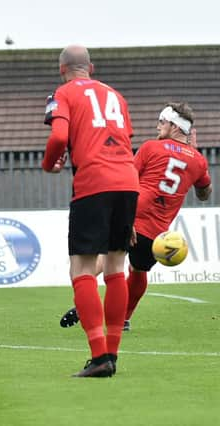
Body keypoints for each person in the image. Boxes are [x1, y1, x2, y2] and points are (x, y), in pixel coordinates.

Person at [59, 102, 212, 331]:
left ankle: (84, 302)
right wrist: (198, 162)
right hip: (158, 234)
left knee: (103, 262)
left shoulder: (151, 148)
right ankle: (124, 319)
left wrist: (125, 218)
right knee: (139, 271)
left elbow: (128, 180)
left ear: (175, 126)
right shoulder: (198, 161)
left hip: (132, 217)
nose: (157, 125)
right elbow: (203, 194)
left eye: (162, 122)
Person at [42, 45, 140, 377]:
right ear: (91, 68)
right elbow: (124, 138)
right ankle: (111, 354)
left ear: (62, 70)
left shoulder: (63, 92)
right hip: (128, 180)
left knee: (82, 268)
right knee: (115, 265)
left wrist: (49, 163)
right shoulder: (117, 96)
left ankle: (99, 357)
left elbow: (58, 136)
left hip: (94, 182)